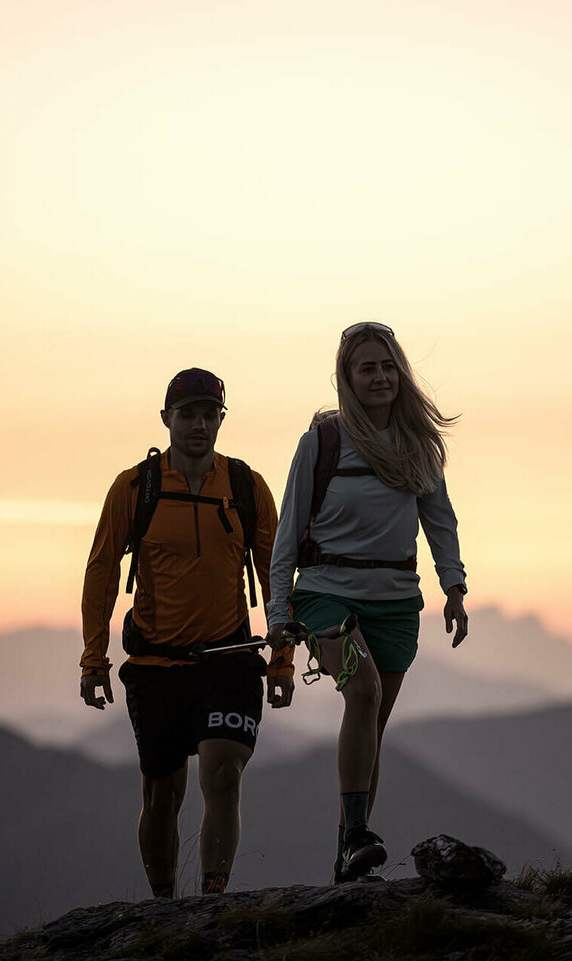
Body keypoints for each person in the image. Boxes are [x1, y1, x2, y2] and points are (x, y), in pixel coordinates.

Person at [80, 368, 294, 897]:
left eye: (210, 415)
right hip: (156, 663)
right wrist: (93, 659)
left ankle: (212, 902)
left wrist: (282, 660)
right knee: (162, 793)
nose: (200, 425)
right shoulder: (137, 488)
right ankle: (164, 906)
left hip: (230, 657)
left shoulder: (245, 486)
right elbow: (102, 570)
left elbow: (276, 577)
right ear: (166, 419)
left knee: (223, 774)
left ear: (220, 419)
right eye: (188, 415)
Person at [265, 323, 468, 882]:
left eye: (387, 366)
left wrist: (453, 588)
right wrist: (278, 611)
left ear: (401, 372)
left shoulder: (418, 443)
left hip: (397, 602)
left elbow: (439, 521)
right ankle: (357, 834)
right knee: (364, 689)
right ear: (347, 379)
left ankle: (347, 855)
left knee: (371, 723)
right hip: (325, 595)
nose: (380, 377)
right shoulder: (323, 442)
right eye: (367, 368)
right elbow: (288, 534)